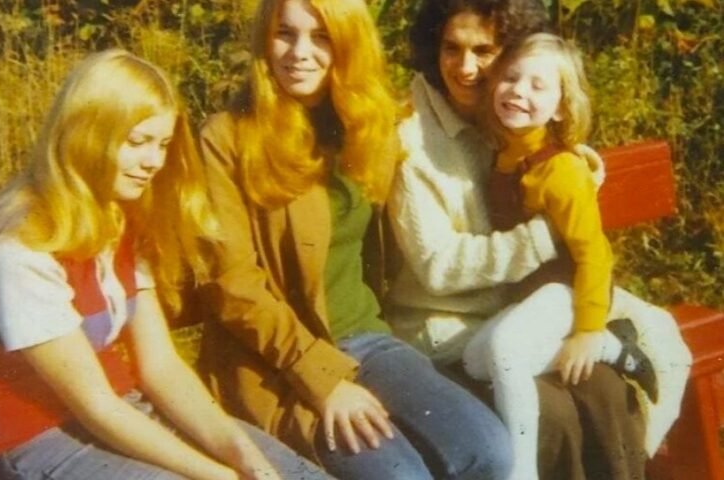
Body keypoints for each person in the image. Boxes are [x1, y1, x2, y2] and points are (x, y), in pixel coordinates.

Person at [0, 49, 331, 480]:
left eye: (163, 144)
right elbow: (95, 405)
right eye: (137, 143)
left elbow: (160, 367)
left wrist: (238, 449)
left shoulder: (119, 216)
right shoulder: (16, 248)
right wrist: (218, 475)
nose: (154, 161)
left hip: (125, 410)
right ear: (86, 133)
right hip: (40, 444)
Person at [195, 0, 513, 478]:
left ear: (348, 43)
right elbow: (232, 284)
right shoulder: (228, 138)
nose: (299, 52)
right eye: (286, 33)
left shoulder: (369, 123)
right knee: (400, 475)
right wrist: (323, 380)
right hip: (277, 360)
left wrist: (567, 156)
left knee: (489, 450)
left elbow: (482, 122)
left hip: (366, 339)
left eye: (320, 36)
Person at [386, 0, 691, 479]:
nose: (465, 67)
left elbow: (550, 154)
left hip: (525, 301)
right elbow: (438, 266)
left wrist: (580, 166)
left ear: (510, 51)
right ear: (433, 47)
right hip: (449, 320)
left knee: (635, 362)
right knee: (560, 411)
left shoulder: (499, 109)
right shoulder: (412, 140)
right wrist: (547, 233)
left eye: (483, 50)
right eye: (452, 48)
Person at [459, 32, 657, 480]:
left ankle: (522, 470)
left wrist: (588, 330)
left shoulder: (564, 170)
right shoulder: (506, 152)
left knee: (506, 352)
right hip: (534, 292)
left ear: (562, 107)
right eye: (510, 78)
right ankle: (616, 348)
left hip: (569, 288)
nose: (519, 92)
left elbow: (595, 255)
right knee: (476, 359)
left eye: (538, 86)